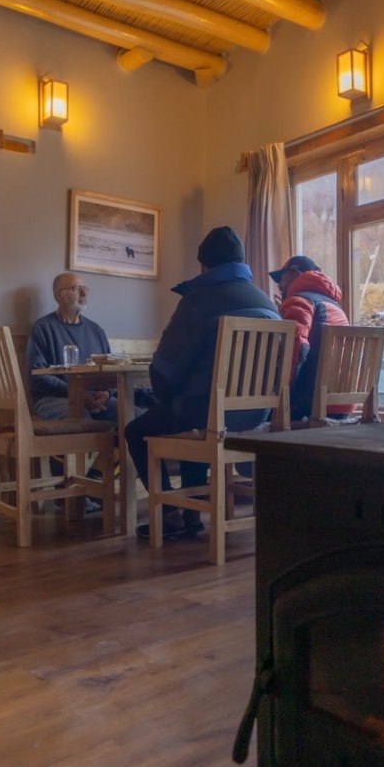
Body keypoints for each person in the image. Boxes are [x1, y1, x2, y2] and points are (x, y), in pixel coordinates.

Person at [125, 226, 280, 540]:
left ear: (204, 265)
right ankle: (192, 514)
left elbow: (165, 369)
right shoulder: (267, 301)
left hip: (205, 413)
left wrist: (161, 397)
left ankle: (170, 514)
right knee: (192, 413)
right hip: (257, 415)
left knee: (137, 430)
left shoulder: (197, 300)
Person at [270, 254, 350, 422]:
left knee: (257, 408)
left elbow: (295, 349)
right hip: (343, 401)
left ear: (295, 273)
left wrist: (279, 393)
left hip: (309, 404)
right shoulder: (334, 306)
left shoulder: (300, 301)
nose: (279, 285)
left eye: (281, 278)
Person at [27, 272, 116, 421]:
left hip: (95, 398)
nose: (83, 293)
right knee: (82, 416)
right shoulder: (42, 328)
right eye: (76, 289)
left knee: (136, 416)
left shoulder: (96, 331)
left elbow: (110, 372)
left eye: (85, 289)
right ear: (58, 295)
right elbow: (38, 376)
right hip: (52, 399)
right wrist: (78, 394)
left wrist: (107, 393)